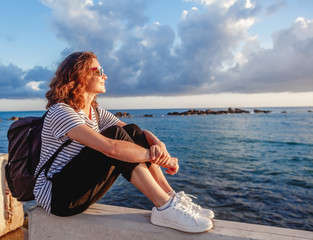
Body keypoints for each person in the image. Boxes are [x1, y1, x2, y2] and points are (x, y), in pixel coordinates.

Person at [34, 51, 214, 233]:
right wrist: (158, 158)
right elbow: (110, 148)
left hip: (78, 189)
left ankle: (171, 197)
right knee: (114, 137)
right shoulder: (61, 112)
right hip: (57, 197)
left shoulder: (95, 110)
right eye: (98, 70)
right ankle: (164, 206)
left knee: (132, 131)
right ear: (79, 74)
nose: (105, 76)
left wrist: (159, 145)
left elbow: (137, 133)